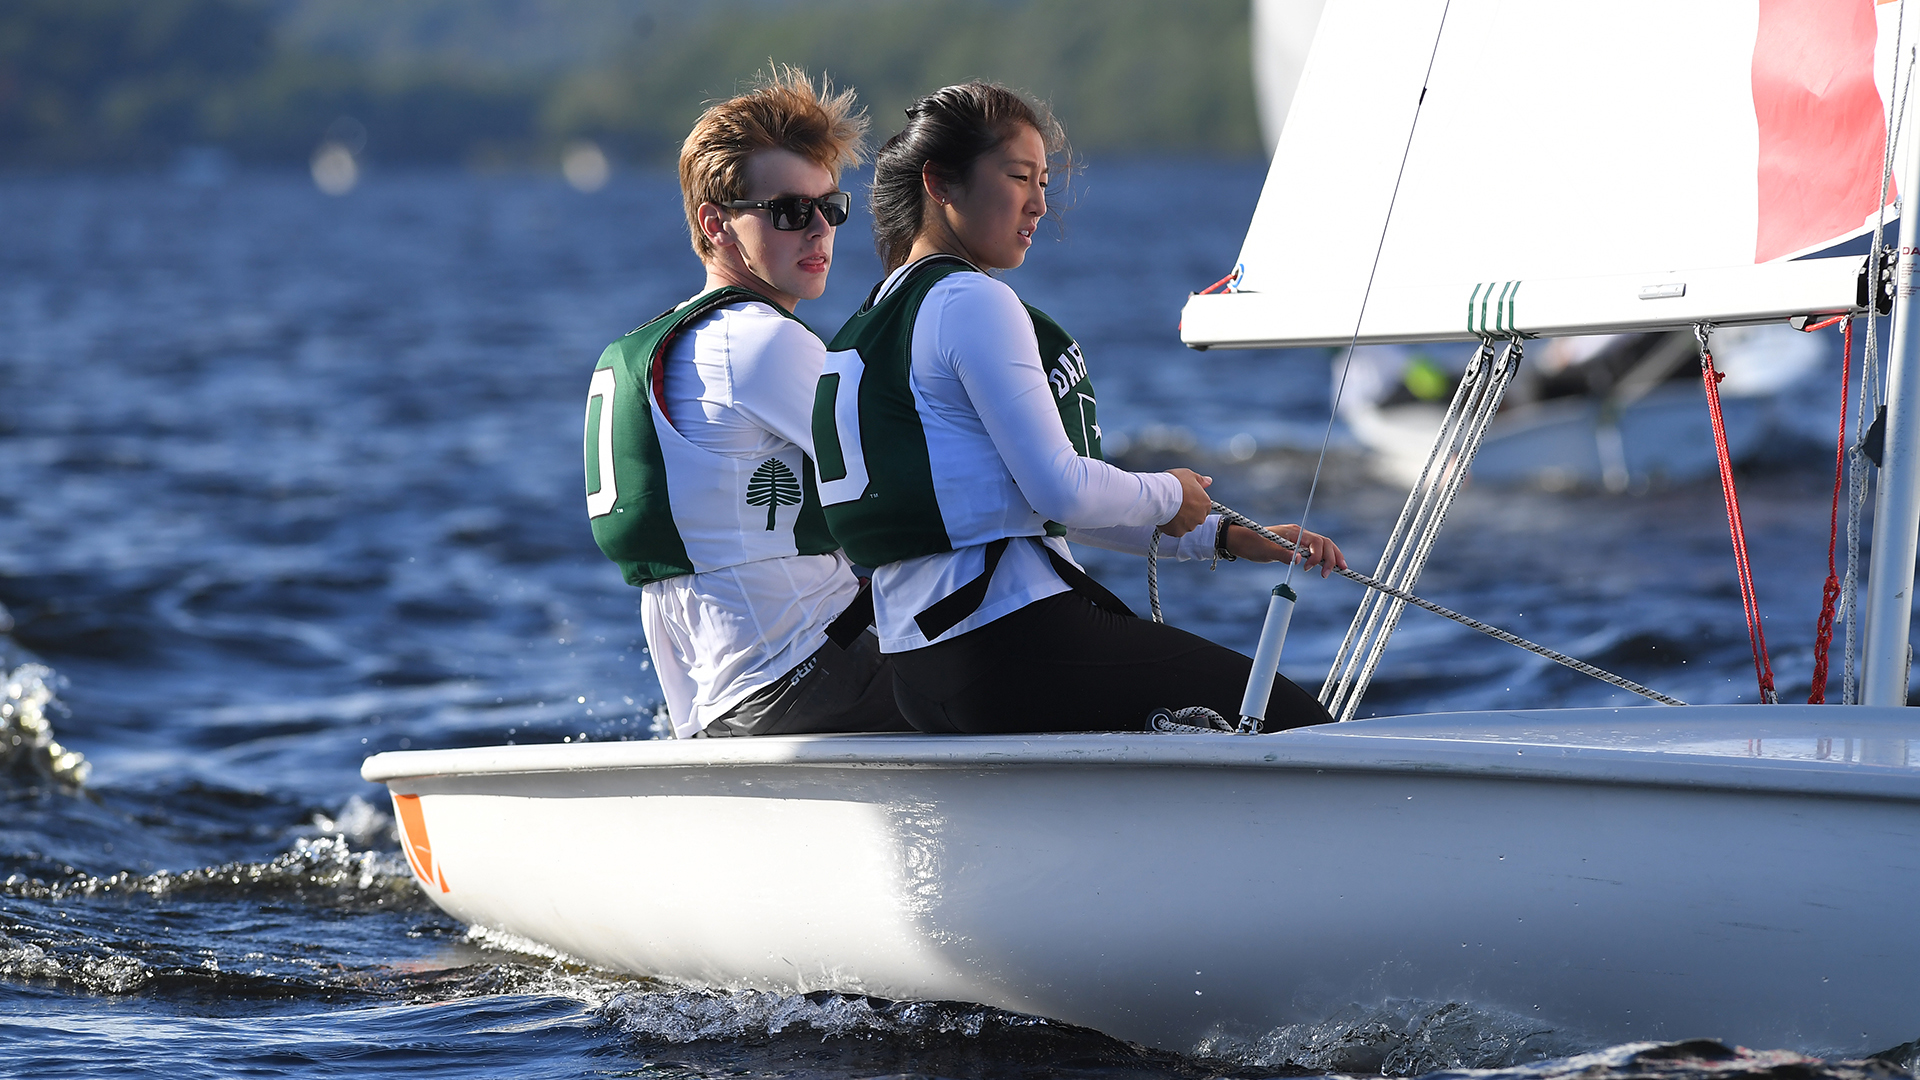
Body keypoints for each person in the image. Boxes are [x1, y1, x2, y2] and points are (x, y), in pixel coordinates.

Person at [813, 81, 1347, 735]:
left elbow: (1020, 509)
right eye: (1018, 177)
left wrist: (1227, 537)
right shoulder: (970, 302)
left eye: (1043, 180)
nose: (1040, 202)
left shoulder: (863, 327)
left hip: (926, 672)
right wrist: (1166, 490)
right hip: (1010, 644)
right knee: (1301, 725)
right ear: (941, 184)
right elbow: (1062, 491)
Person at [584, 68, 910, 739]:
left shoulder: (653, 348)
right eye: (792, 212)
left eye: (832, 208)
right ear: (716, 223)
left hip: (713, 709)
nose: (820, 231)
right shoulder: (762, 345)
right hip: (812, 688)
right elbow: (926, 490)